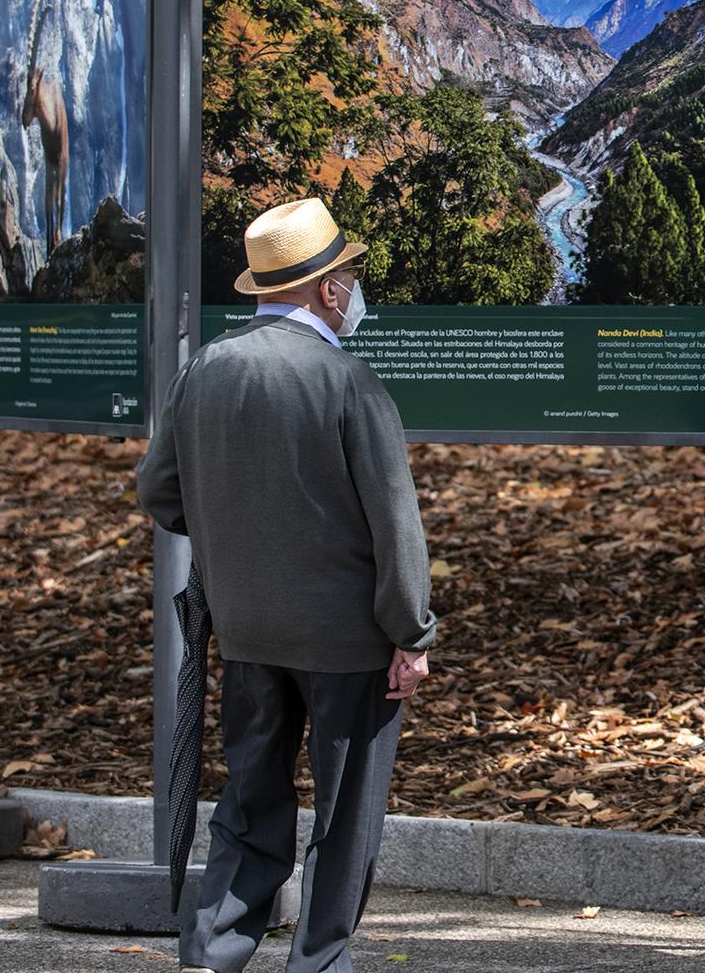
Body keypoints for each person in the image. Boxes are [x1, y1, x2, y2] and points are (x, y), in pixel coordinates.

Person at [139, 197, 437, 973]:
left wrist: (237, 539)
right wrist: (411, 632)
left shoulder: (206, 368)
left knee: (247, 806)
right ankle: (317, 962)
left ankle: (210, 955)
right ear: (327, 290)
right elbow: (394, 522)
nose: (355, 290)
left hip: (244, 632)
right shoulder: (348, 379)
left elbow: (159, 492)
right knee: (344, 819)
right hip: (348, 642)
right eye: (350, 276)